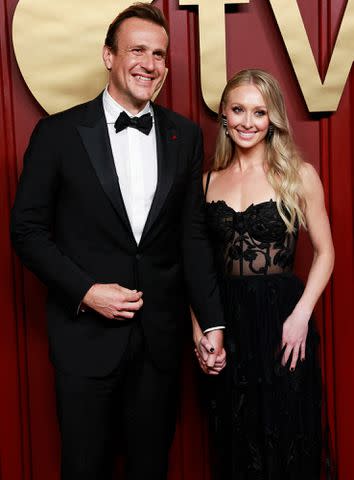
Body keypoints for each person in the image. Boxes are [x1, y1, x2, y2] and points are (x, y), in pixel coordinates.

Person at [10, 3, 225, 479]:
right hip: (85, 341)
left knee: (151, 469)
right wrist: (87, 291)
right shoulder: (58, 134)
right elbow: (26, 231)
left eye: (160, 55)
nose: (150, 63)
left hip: (159, 343)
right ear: (108, 56)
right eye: (138, 50)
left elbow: (191, 235)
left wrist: (211, 323)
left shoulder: (184, 136)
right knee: (85, 469)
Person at [192, 69, 334, 479]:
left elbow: (326, 252)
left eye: (259, 112)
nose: (247, 122)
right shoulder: (205, 184)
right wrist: (200, 331)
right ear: (223, 114)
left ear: (273, 119)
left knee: (289, 438)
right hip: (227, 322)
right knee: (236, 442)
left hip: (283, 321)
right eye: (238, 110)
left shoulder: (298, 176)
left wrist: (302, 315)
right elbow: (197, 269)